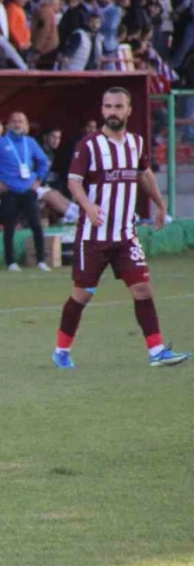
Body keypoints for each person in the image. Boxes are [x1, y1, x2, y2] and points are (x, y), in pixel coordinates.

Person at [53, 88, 189, 370]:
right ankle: (61, 350)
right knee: (84, 293)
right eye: (107, 106)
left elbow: (144, 174)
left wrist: (161, 206)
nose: (112, 112)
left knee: (142, 289)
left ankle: (157, 351)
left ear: (129, 111)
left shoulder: (136, 143)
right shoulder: (89, 146)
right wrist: (88, 206)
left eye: (118, 106)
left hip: (126, 236)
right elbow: (73, 182)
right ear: (102, 110)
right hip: (94, 237)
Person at [0, 111, 50, 272]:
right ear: (8, 125)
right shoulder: (1, 143)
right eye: (15, 121)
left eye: (21, 122)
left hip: (28, 190)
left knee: (36, 225)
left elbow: (44, 161)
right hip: (9, 190)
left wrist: (38, 180)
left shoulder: (30, 142)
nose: (18, 125)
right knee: (9, 226)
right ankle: (11, 262)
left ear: (26, 125)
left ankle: (41, 261)